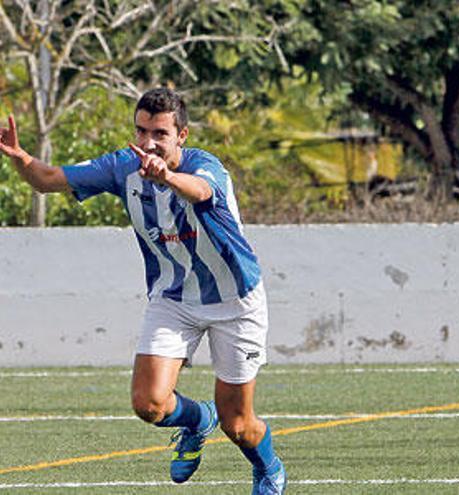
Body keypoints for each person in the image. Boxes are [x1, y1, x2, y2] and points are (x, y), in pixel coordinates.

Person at [0, 88, 286, 494]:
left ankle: (268, 467)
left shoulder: (206, 167)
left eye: (160, 133)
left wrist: (166, 176)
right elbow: (47, 180)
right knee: (148, 404)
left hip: (235, 301)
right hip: (173, 298)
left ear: (181, 136)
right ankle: (195, 420)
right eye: (141, 130)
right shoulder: (122, 167)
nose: (148, 142)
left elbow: (201, 192)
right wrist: (21, 159)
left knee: (238, 425)